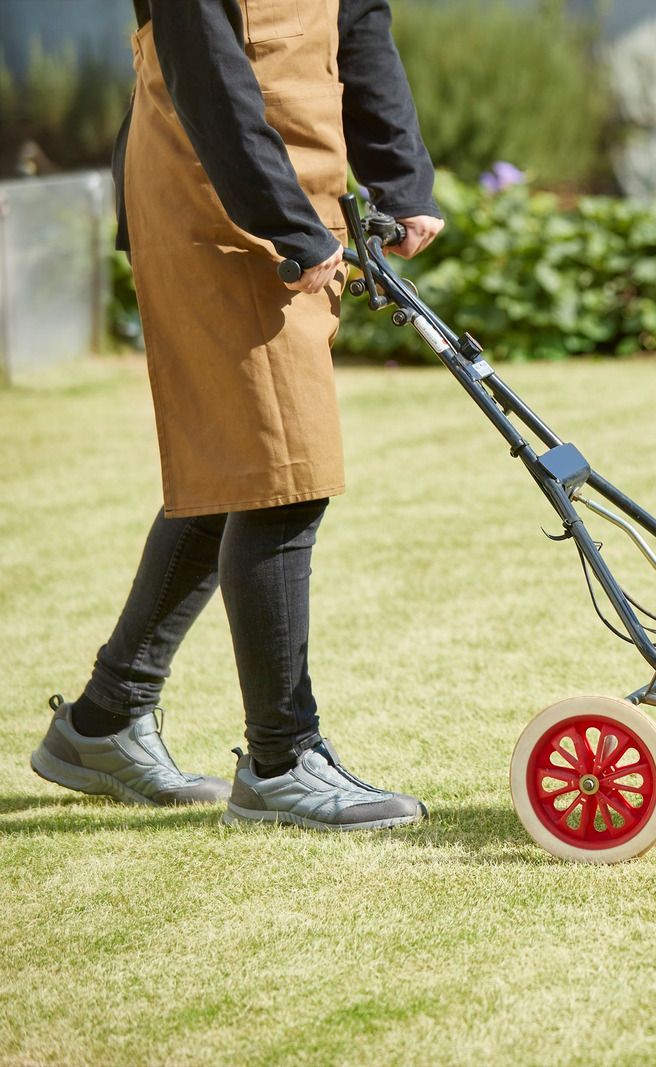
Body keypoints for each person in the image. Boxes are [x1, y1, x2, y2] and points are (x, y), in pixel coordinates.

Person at [30, 0, 444, 830]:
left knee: (243, 467)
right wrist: (284, 220)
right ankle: (281, 760)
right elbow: (205, 70)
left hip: (292, 199)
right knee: (280, 473)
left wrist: (401, 177)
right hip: (214, 202)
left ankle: (105, 720)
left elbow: (358, 21)